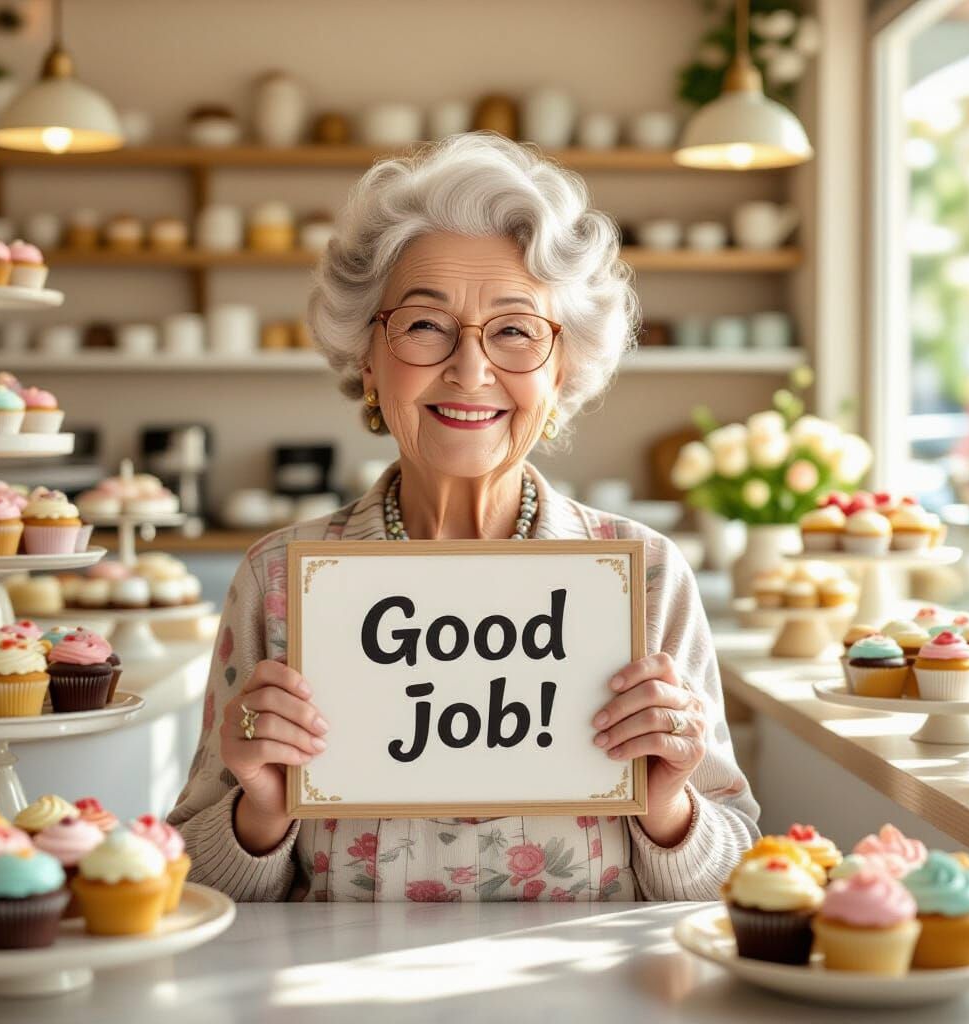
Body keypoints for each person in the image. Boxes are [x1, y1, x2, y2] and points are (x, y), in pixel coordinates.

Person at [168, 132, 759, 902]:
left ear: (563, 368)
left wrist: (669, 805)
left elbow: (741, 878)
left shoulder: (644, 576)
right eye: (423, 325)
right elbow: (185, 882)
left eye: (516, 330)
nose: (471, 369)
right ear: (368, 360)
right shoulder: (278, 579)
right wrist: (261, 812)